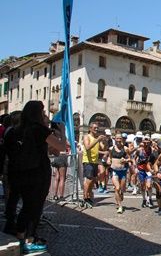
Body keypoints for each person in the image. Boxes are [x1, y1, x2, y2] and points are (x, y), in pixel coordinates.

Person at [4, 101, 67, 254]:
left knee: (25, 206)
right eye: (42, 112)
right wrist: (63, 132)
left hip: (20, 173)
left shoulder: (14, 130)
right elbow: (61, 147)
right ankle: (27, 239)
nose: (44, 115)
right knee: (34, 207)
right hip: (38, 173)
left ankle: (21, 236)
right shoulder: (39, 129)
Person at [82, 122, 107, 208]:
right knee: (88, 179)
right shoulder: (86, 136)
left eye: (97, 128)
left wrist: (105, 141)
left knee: (93, 180)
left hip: (95, 161)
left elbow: (103, 148)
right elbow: (87, 147)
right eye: (95, 128)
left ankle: (88, 196)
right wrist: (98, 140)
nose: (96, 129)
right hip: (87, 161)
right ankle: (85, 198)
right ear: (90, 129)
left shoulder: (96, 138)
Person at [109, 133, 130, 214]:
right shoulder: (111, 149)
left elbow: (129, 158)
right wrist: (109, 161)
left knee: (122, 189)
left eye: (120, 138)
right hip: (114, 170)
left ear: (122, 139)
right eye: (117, 138)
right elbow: (110, 158)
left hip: (123, 171)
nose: (118, 140)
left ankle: (121, 195)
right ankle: (120, 206)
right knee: (117, 188)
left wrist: (125, 160)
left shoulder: (125, 149)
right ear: (114, 139)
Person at [136, 139, 153, 208]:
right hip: (141, 170)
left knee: (149, 186)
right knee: (142, 186)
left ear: (150, 143)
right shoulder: (139, 150)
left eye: (147, 143)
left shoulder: (152, 151)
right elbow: (134, 158)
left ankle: (150, 199)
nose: (146, 144)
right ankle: (144, 200)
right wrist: (135, 167)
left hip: (149, 171)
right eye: (144, 143)